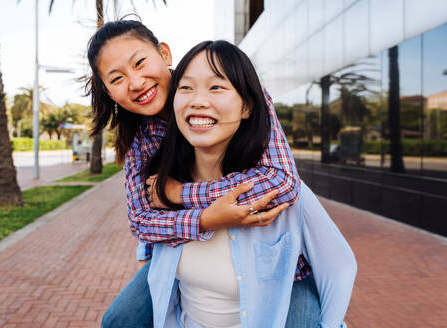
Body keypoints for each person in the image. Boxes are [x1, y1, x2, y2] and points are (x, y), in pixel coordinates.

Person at [86, 19, 329, 328]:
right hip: (187, 251)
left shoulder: (231, 87)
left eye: (140, 62)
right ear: (107, 90)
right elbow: (141, 219)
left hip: (277, 258)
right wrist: (206, 219)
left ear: (164, 54)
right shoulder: (142, 135)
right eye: (117, 78)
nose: (135, 82)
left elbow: (280, 182)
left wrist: (174, 193)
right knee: (119, 321)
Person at [144, 40, 357, 328]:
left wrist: (329, 325)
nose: (198, 100)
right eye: (186, 87)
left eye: (216, 87)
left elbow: (340, 267)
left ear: (247, 107)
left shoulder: (279, 193)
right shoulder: (161, 191)